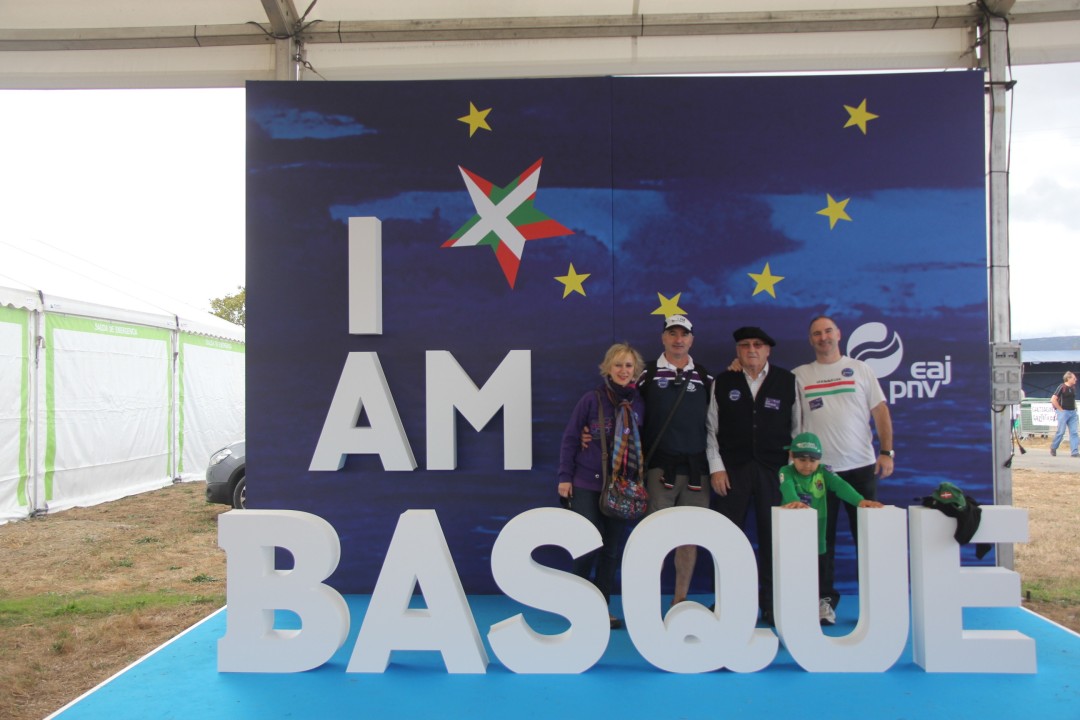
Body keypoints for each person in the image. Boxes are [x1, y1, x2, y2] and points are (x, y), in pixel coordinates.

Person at [793, 315, 894, 611]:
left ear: (838, 334)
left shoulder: (861, 369)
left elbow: (880, 411)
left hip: (861, 469)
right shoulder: (800, 375)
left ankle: (878, 603)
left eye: (828, 331)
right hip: (819, 473)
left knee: (868, 539)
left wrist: (887, 452)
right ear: (810, 340)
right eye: (816, 333)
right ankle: (824, 600)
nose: (823, 337)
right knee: (821, 542)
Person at [706, 326, 799, 625]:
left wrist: (790, 474)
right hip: (733, 472)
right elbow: (711, 429)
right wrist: (716, 467)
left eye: (758, 345)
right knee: (728, 538)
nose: (751, 350)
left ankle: (771, 603)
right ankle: (728, 601)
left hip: (774, 472)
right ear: (738, 351)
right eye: (745, 345)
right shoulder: (723, 382)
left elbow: (798, 429)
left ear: (768, 350)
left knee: (773, 539)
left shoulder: (787, 381)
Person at [557, 343, 646, 629]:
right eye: (618, 365)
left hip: (622, 488)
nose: (623, 370)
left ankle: (601, 606)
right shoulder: (591, 400)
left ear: (636, 370)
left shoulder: (639, 403)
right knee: (587, 545)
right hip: (587, 483)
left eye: (629, 366)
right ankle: (576, 604)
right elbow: (571, 438)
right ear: (607, 368)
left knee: (610, 550)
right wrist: (564, 477)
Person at [631, 315, 714, 606]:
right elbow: (623, 409)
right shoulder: (647, 373)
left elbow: (717, 422)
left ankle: (680, 599)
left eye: (684, 334)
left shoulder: (704, 376)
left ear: (692, 339)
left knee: (689, 539)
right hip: (659, 470)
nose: (678, 340)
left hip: (697, 472)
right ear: (663, 337)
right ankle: (647, 601)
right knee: (654, 537)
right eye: (672, 333)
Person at [777, 432, 884, 625]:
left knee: (823, 565)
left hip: (819, 529)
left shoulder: (824, 471)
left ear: (819, 459)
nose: (807, 465)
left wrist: (860, 501)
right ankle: (793, 607)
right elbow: (787, 487)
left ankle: (824, 603)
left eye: (812, 460)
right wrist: (794, 501)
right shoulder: (786, 471)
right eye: (802, 460)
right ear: (792, 456)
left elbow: (840, 485)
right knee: (793, 567)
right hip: (793, 531)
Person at [1049, 371, 1078, 457]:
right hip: (1064, 412)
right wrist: (1060, 410)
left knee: (1074, 432)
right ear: (1068, 378)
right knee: (1061, 431)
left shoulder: (1073, 388)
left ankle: (1074, 452)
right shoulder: (1062, 387)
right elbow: (1053, 399)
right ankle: (1054, 447)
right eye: (1074, 378)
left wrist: (1075, 408)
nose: (1075, 379)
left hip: (1072, 412)